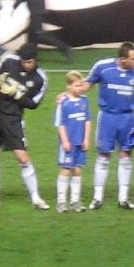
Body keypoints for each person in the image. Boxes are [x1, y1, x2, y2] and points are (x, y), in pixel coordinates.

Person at [0, 48, 51, 210]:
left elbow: (34, 104)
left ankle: (36, 198)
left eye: (29, 62)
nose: (26, 65)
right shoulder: (8, 60)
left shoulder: (40, 78)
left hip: (13, 118)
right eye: (23, 62)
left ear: (36, 60)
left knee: (22, 157)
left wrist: (16, 93)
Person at [86, 44, 134, 210]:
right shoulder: (102, 67)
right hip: (107, 117)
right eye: (133, 58)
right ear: (122, 59)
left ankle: (123, 198)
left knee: (126, 155)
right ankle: (97, 197)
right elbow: (86, 85)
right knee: (103, 156)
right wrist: (68, 93)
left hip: (127, 117)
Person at [55, 71, 93, 213]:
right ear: (68, 86)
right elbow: (60, 123)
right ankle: (61, 201)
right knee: (65, 169)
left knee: (77, 170)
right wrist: (64, 140)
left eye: (81, 85)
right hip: (68, 143)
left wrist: (87, 138)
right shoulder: (63, 103)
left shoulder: (84, 101)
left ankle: (75, 201)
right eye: (76, 85)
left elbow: (88, 121)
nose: (80, 88)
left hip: (80, 142)